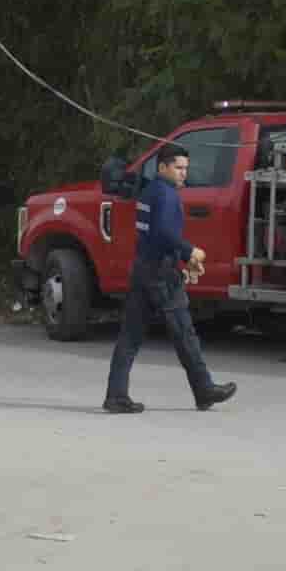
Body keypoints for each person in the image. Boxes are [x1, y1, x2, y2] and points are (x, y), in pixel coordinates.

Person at [102, 145, 237, 415]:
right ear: (162, 167)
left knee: (130, 337)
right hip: (161, 276)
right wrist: (189, 252)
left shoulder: (150, 191)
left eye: (186, 168)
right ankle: (204, 390)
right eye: (178, 168)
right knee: (185, 334)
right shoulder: (166, 195)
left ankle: (116, 395)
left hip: (144, 269)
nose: (183, 174)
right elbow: (163, 233)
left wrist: (182, 260)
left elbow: (153, 236)